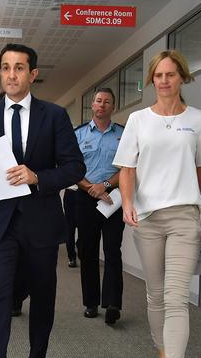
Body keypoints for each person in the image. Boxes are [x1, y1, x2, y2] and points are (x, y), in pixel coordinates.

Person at [0, 43, 85, 358]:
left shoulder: (55, 116)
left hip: (40, 223)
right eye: (5, 67)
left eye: (18, 68)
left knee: (43, 298)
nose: (11, 75)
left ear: (33, 74)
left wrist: (38, 178)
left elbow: (75, 168)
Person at [113, 50, 201, 358]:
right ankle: (163, 350)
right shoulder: (138, 120)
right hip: (148, 219)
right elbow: (127, 169)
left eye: (170, 74)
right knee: (156, 295)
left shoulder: (198, 120)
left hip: (185, 218)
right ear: (152, 79)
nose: (163, 80)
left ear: (182, 77)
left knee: (176, 297)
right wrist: (128, 203)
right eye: (158, 75)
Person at [74, 87, 125, 324]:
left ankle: (113, 303)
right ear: (92, 105)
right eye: (98, 101)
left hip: (114, 198)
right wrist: (90, 188)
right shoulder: (79, 134)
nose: (102, 104)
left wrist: (104, 185)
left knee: (113, 250)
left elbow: (128, 167)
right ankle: (91, 303)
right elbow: (71, 168)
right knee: (88, 251)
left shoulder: (124, 134)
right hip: (86, 198)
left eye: (107, 101)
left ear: (112, 107)